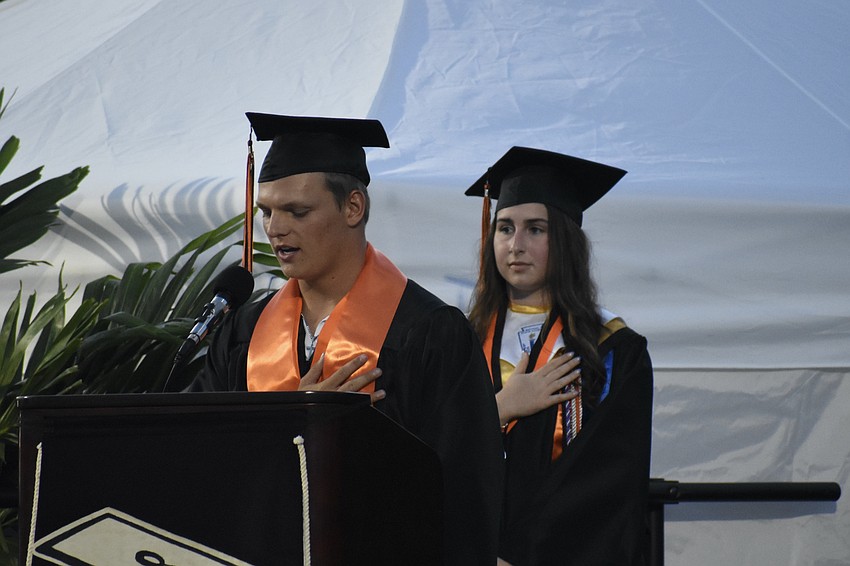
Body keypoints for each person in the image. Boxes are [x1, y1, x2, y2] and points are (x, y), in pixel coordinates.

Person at [189, 112, 503, 564]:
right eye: (267, 211)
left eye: (297, 211)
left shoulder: (430, 333)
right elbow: (201, 459)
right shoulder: (243, 331)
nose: (275, 229)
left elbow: (464, 498)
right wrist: (292, 421)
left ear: (353, 208)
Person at [464, 146, 654, 565]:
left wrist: (516, 555)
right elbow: (429, 453)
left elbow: (605, 482)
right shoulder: (460, 340)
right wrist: (497, 409)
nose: (516, 245)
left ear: (565, 240)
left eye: (536, 229)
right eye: (505, 228)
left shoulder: (612, 350)